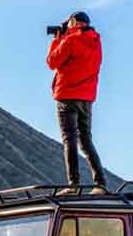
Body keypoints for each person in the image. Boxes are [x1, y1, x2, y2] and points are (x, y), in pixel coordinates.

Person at [46, 11, 108, 195]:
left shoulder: (70, 41)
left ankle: (73, 184)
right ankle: (100, 183)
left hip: (66, 94)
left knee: (69, 139)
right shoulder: (97, 43)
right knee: (86, 140)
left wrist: (57, 40)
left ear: (73, 22)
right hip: (86, 98)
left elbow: (52, 62)